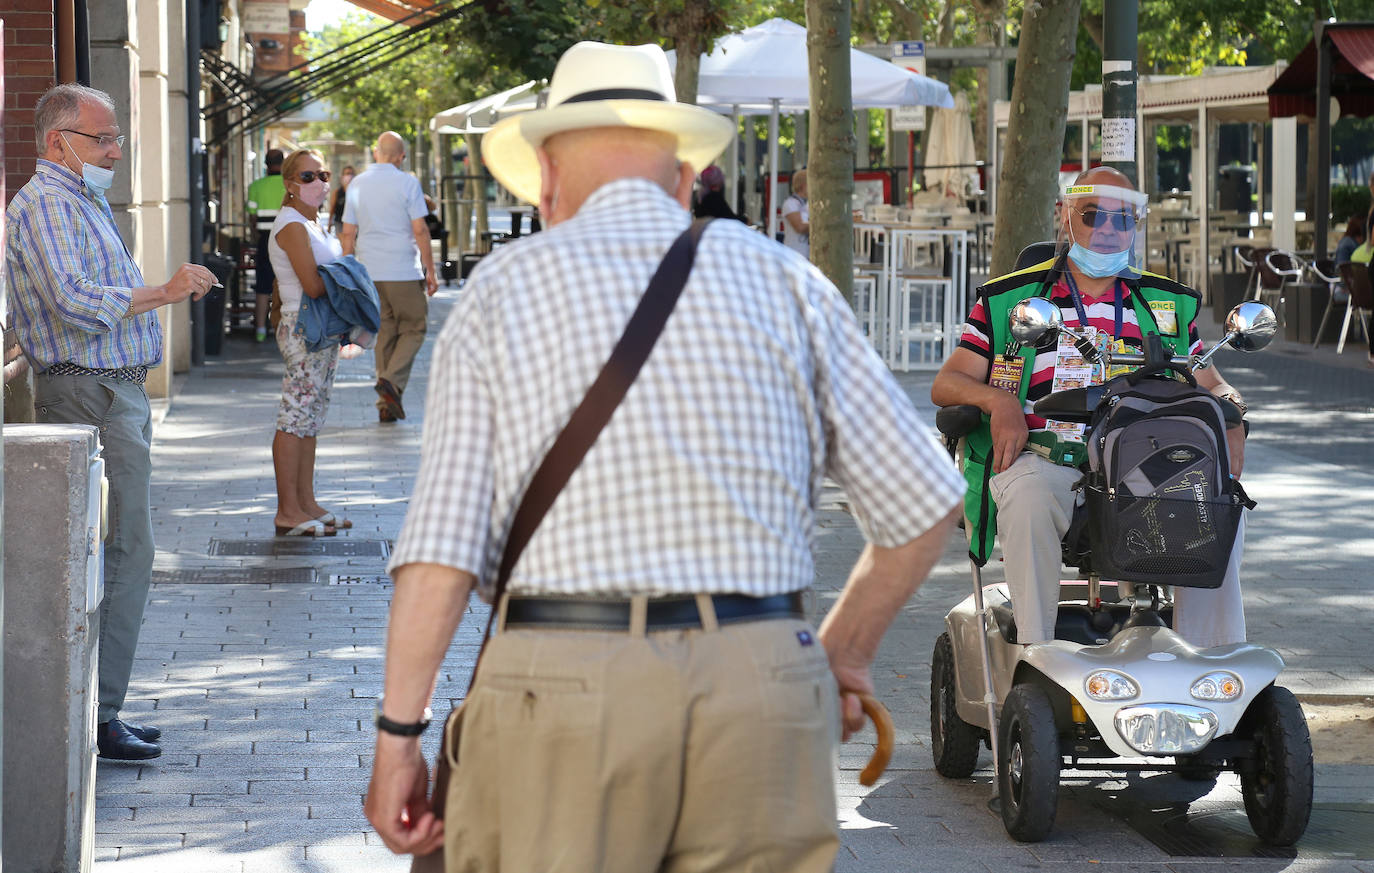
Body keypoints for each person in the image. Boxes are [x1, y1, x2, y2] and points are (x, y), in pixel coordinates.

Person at [363, 40, 964, 871]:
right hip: (761, 682)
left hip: (563, 686)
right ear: (683, 177)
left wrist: (400, 733)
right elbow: (927, 500)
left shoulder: (501, 291)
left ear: (544, 179)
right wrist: (844, 651)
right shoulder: (787, 282)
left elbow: (440, 553)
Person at [931, 166, 1250, 649]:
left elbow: (1213, 380)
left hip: (1145, 462)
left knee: (1221, 503)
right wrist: (997, 400)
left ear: (1136, 227)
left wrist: (1234, 416)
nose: (1106, 228)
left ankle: (1211, 660)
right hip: (1047, 457)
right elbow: (948, 382)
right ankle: (1036, 656)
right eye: (1092, 214)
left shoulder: (1167, 302)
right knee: (1030, 495)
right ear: (1065, 217)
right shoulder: (1008, 299)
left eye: (1122, 219)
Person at [5, 83, 217, 760]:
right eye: (103, 138)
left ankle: (102, 706)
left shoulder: (79, 199)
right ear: (57, 141)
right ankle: (97, 715)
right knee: (119, 551)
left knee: (122, 551)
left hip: (107, 392)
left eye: (117, 137)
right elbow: (71, 302)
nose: (115, 150)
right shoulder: (44, 202)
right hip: (87, 393)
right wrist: (165, 290)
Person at [269, 148, 351, 537]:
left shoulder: (313, 223)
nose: (318, 183)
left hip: (321, 329)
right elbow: (314, 284)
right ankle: (288, 510)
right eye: (308, 177)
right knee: (295, 417)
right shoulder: (292, 225)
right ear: (289, 184)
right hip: (305, 326)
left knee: (310, 417)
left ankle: (306, 502)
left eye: (324, 175)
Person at [340, 132, 438, 423]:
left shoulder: (357, 183)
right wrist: (430, 270)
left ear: (375, 152)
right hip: (402, 270)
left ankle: (386, 404)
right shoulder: (407, 183)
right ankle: (391, 382)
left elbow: (348, 232)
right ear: (401, 156)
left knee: (385, 332)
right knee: (415, 328)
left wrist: (347, 270)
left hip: (369, 270)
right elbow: (420, 230)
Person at [247, 149, 286, 342]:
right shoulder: (290, 185)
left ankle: (260, 329)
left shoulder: (256, 186)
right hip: (287, 240)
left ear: (265, 164)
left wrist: (255, 238)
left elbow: (252, 218)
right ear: (283, 163)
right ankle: (282, 329)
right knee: (285, 284)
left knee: (263, 286)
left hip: (265, 241)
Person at [781, 168, 810, 257]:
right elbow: (800, 227)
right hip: (794, 255)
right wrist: (821, 223)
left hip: (807, 255)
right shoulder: (790, 203)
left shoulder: (808, 203)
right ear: (804, 185)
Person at [327, 164, 356, 232]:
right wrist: (329, 225)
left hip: (353, 224)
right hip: (339, 222)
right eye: (347, 173)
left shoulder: (357, 192)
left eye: (351, 174)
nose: (350, 176)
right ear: (343, 176)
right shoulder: (337, 192)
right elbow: (332, 209)